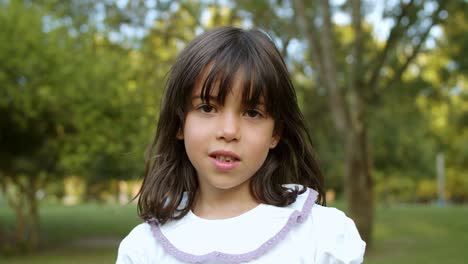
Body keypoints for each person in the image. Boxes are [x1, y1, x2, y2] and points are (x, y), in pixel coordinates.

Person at [116, 26, 366, 264]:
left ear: (275, 132)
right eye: (207, 108)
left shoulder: (323, 236)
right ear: (180, 123)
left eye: (253, 113)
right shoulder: (143, 249)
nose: (229, 131)